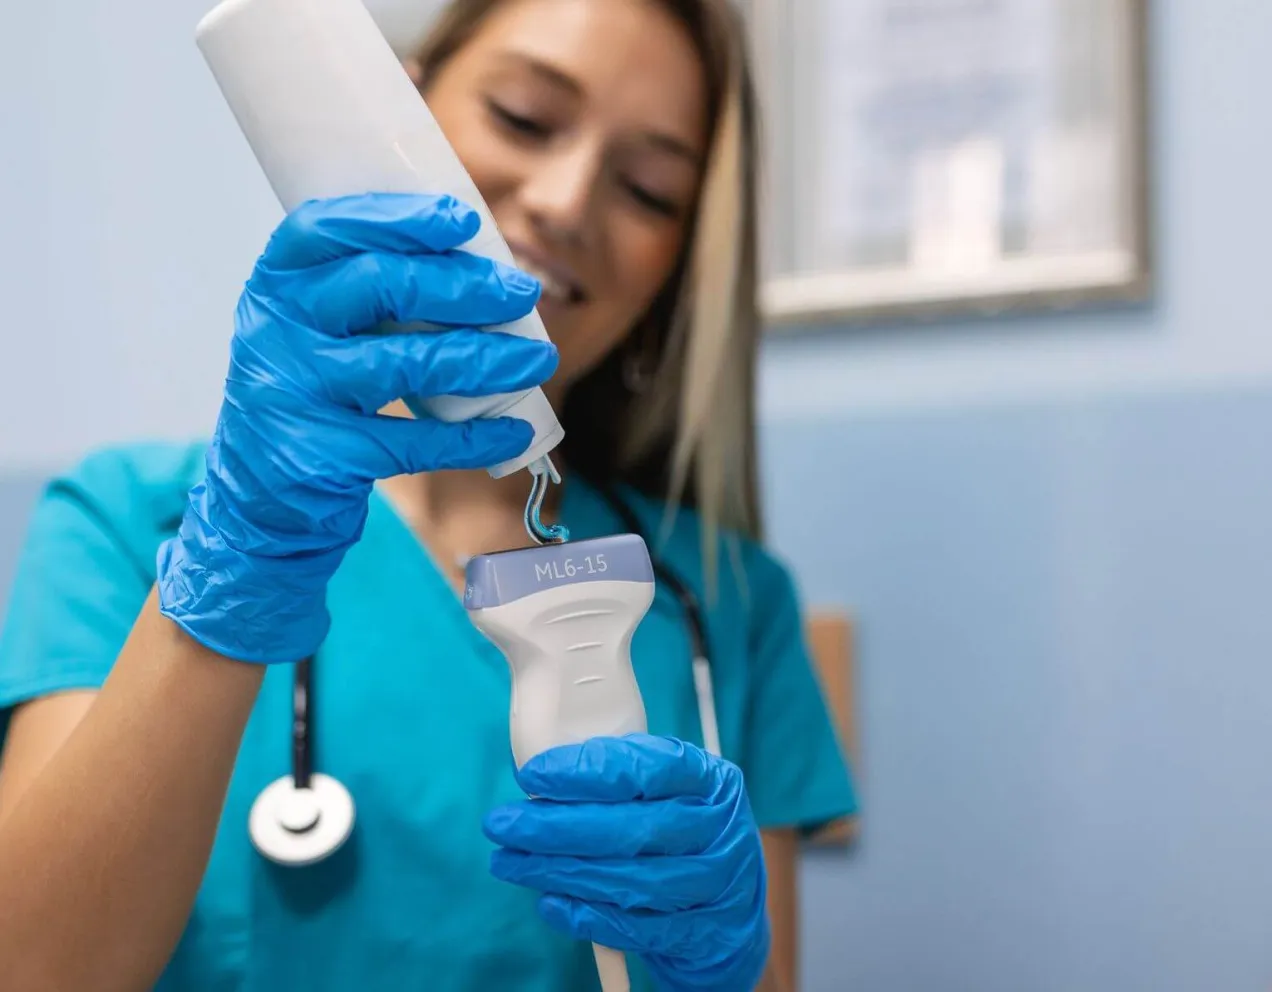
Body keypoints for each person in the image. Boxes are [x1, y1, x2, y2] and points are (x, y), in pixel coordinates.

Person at [0, 0, 856, 988]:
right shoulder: (127, 523)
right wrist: (232, 561)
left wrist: (717, 967)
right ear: (399, 113)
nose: (569, 200)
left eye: (650, 189)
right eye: (526, 117)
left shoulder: (726, 602)